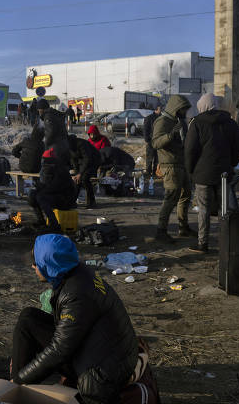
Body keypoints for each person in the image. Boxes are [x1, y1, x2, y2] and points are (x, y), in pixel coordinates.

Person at [10, 234, 160, 404]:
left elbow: (59, 350)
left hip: (103, 374)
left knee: (42, 353)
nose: (32, 266)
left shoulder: (76, 294)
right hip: (106, 350)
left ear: (50, 266)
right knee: (28, 318)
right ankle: (16, 388)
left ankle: (15, 387)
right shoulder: (77, 273)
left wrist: (21, 378)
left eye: (37, 263)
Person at [185, 93, 239, 253]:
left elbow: (190, 150)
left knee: (203, 209)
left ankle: (202, 244)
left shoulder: (196, 123)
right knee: (224, 210)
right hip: (224, 174)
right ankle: (225, 243)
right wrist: (231, 164)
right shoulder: (230, 123)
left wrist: (191, 171)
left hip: (202, 174)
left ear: (202, 107)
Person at [151, 95, 194, 243]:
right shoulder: (162, 121)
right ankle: (161, 231)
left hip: (181, 164)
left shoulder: (179, 122)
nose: (185, 112)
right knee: (170, 197)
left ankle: (183, 227)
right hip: (170, 165)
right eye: (183, 109)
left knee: (186, 195)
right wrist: (171, 135)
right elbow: (155, 143)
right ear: (176, 108)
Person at [28, 148, 76, 230]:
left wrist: (41, 188)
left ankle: (54, 224)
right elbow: (48, 186)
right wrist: (38, 186)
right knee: (32, 195)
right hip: (56, 195)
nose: (44, 163)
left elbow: (55, 187)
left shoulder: (61, 170)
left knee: (41, 197)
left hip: (66, 199)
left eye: (46, 160)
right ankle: (41, 221)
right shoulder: (48, 169)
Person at [68, 134, 100, 209]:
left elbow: (87, 159)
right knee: (77, 180)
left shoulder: (81, 144)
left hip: (94, 160)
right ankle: (72, 202)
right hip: (82, 161)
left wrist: (80, 173)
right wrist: (77, 174)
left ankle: (91, 202)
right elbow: (73, 161)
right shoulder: (69, 147)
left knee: (85, 178)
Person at [142, 105, 161, 177]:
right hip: (151, 141)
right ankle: (148, 172)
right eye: (160, 108)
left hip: (159, 141)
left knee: (157, 158)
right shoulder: (149, 118)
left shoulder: (162, 118)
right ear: (156, 109)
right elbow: (145, 130)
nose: (161, 110)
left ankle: (155, 172)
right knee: (150, 158)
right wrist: (147, 140)